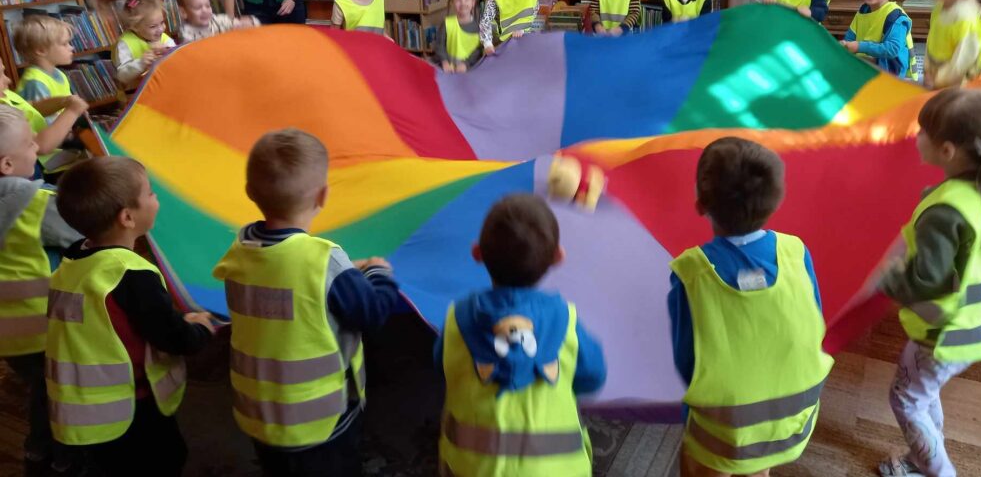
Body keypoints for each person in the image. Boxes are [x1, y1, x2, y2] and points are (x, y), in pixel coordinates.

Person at [213, 129, 399, 477]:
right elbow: (372, 313)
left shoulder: (239, 252)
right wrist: (377, 274)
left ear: (249, 193)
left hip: (260, 412)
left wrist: (344, 276)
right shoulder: (325, 261)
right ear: (324, 195)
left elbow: (289, 282)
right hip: (319, 420)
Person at [876, 89, 981, 477]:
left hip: (944, 333)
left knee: (905, 399)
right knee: (922, 391)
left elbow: (924, 281)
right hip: (977, 325)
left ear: (947, 151)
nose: (916, 136)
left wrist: (885, 278)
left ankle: (937, 470)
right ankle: (925, 453)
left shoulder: (945, 213)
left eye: (923, 131)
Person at [668, 137, 831, 477]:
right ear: (775, 202)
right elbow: (813, 320)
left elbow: (687, 361)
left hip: (724, 429)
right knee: (756, 464)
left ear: (700, 204)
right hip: (793, 419)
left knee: (700, 460)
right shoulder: (796, 251)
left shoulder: (691, 272)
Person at [48, 156, 214, 476]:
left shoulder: (73, 260)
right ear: (127, 217)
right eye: (150, 193)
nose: (156, 198)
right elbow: (173, 337)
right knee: (166, 459)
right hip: (126, 410)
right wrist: (201, 329)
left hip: (77, 410)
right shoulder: (130, 274)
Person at [435, 193, 606, 477]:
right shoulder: (567, 320)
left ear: (477, 253)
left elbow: (443, 366)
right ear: (557, 257)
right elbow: (593, 376)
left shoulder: (455, 318)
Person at [0, 105, 81, 470]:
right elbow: (81, 233)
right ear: (6, 164)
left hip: (8, 338)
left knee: (42, 387)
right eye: (31, 145)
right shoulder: (36, 203)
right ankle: (57, 457)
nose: (37, 148)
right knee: (60, 393)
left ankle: (40, 447)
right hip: (43, 330)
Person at [0, 56, 87, 164]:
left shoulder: (5, 94)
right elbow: (40, 145)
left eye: (4, 72)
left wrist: (64, 101)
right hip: (38, 165)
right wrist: (73, 111)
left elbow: (32, 107)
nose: (8, 80)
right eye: (0, 75)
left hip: (49, 154)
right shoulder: (3, 113)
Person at [92, 0, 176, 92]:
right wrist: (141, 63)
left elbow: (176, 58)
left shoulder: (163, 38)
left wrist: (169, 53)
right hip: (135, 94)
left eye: (162, 23)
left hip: (161, 89)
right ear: (135, 27)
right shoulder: (125, 44)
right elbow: (122, 76)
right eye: (153, 26)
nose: (161, 29)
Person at [840, 0, 917, 79]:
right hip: (866, 69)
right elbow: (850, 38)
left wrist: (859, 47)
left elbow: (892, 49)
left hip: (890, 75)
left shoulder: (895, 16)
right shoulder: (863, 10)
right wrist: (844, 45)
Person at [923, 0, 981, 89]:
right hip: (940, 74)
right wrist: (928, 70)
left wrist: (940, 79)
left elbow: (963, 60)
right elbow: (932, 41)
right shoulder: (939, 8)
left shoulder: (966, 18)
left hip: (960, 80)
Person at [13, 15, 75, 124]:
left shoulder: (58, 74)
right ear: (41, 50)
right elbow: (43, 121)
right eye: (65, 44)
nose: (71, 47)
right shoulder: (35, 82)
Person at [175, 0, 259, 43]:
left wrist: (247, 23)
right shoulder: (186, 33)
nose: (205, 10)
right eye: (198, 8)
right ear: (183, 13)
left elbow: (240, 23)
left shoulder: (218, 20)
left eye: (208, 6)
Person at [435, 0, 482, 73]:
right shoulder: (446, 23)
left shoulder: (478, 27)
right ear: (452, 3)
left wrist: (466, 64)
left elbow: (478, 51)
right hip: (449, 67)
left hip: (470, 69)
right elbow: (439, 46)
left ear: (473, 3)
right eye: (458, 0)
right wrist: (444, 62)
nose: (463, 3)